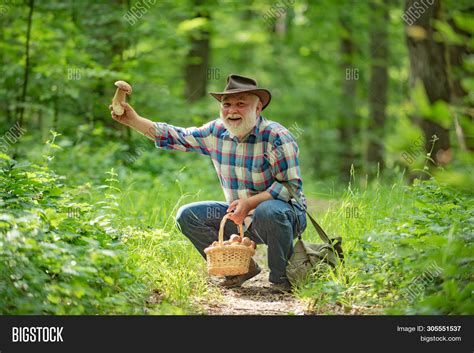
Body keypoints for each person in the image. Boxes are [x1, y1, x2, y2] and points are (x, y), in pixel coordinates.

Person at [110, 74, 307, 293]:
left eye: (241, 104)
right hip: (240, 219)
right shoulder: (216, 132)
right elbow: (177, 136)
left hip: (284, 216)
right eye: (227, 104)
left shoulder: (277, 137)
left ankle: (280, 279)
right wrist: (133, 121)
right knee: (188, 215)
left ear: (258, 107)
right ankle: (238, 269)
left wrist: (250, 203)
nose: (232, 110)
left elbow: (290, 187)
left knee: (268, 211)